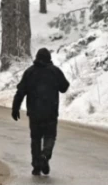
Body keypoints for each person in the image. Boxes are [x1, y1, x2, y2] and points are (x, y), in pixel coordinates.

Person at [11, 47, 70, 176]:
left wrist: (15, 108)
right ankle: (45, 155)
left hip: (34, 112)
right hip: (51, 112)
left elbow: (20, 91)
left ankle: (36, 166)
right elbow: (64, 87)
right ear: (49, 59)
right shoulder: (54, 71)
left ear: (36, 58)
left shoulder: (30, 72)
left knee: (35, 138)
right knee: (50, 136)